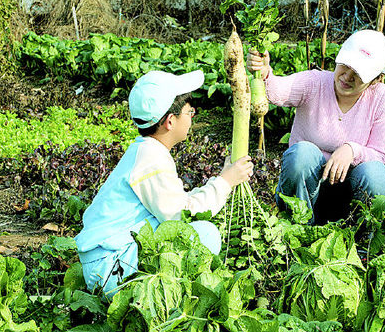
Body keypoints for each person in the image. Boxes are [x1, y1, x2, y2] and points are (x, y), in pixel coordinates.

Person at [74, 70, 254, 295]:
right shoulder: (152, 160)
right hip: (110, 268)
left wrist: (222, 180)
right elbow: (181, 215)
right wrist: (225, 182)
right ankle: (164, 296)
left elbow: (175, 204)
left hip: (105, 261)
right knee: (206, 235)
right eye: (190, 112)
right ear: (170, 121)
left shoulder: (144, 149)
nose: (192, 117)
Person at [247, 29, 385, 225]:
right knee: (302, 154)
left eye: (358, 74)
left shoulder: (382, 98)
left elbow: (379, 155)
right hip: (307, 193)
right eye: (346, 66)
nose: (347, 76)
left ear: (376, 79)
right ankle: (297, 228)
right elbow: (278, 91)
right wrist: (265, 72)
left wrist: (351, 150)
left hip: (351, 199)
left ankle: (364, 239)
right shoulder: (315, 83)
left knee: (377, 176)